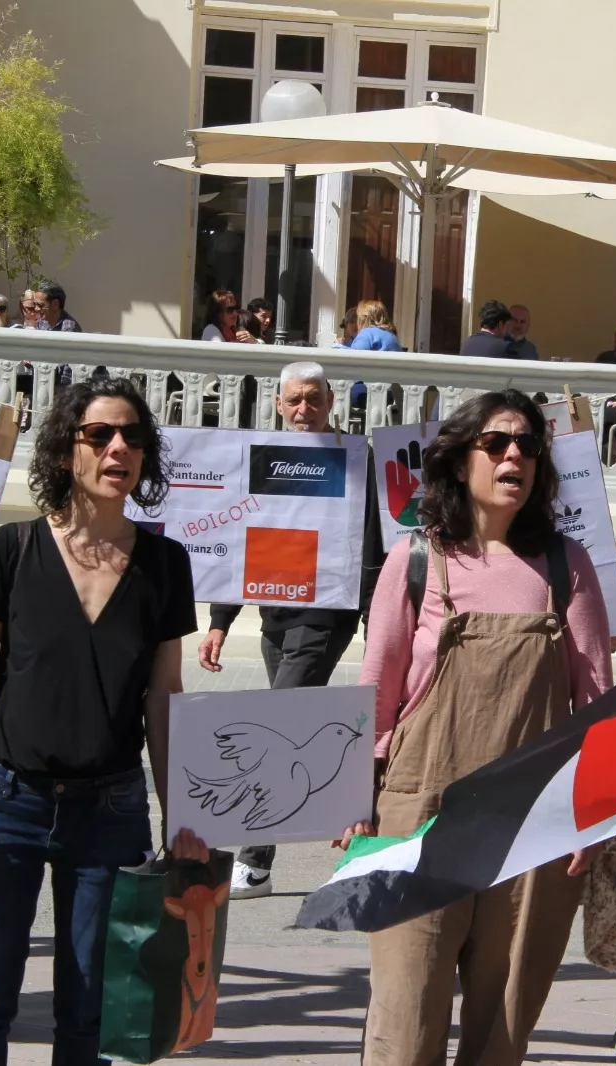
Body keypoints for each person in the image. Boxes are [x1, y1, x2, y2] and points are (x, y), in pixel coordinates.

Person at [0, 377, 209, 1066]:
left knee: (89, 1006)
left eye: (134, 438)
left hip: (110, 811)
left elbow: (165, 698)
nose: (120, 448)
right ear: (66, 452)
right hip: (5, 802)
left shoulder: (165, 564)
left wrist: (180, 818)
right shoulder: (13, 549)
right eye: (101, 435)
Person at [346, 389, 612, 1066]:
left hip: (533, 825)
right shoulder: (416, 561)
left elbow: (596, 703)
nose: (514, 455)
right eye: (496, 444)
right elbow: (376, 690)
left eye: (527, 445)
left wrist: (596, 816)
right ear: (461, 460)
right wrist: (352, 795)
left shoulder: (565, 566)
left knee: (501, 1032)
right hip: (417, 813)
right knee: (405, 1025)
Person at [199, 361, 385, 900]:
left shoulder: (357, 460)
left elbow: (373, 542)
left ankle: (254, 864)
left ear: (330, 400)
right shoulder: (264, 458)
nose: (304, 409)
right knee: (300, 731)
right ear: (279, 405)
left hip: (326, 617)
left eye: (313, 399)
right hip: (274, 617)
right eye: (294, 401)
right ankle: (364, 841)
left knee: (275, 727)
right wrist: (218, 622)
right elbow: (239, 538)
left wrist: (377, 617)